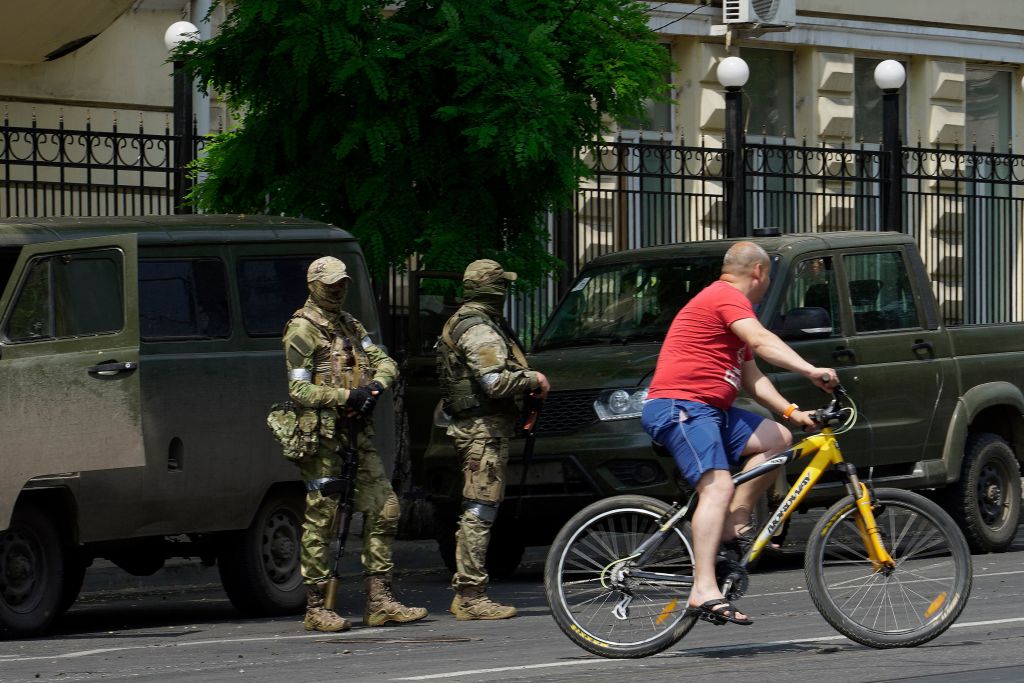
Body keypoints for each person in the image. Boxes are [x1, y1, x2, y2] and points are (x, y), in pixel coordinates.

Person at [640, 242, 836, 626]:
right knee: (717, 486)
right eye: (768, 278)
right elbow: (763, 340)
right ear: (759, 272)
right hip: (681, 406)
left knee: (777, 439)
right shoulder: (725, 297)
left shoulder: (731, 313)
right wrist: (811, 370)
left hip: (710, 410)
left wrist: (793, 413)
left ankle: (735, 518)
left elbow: (752, 377)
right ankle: (703, 588)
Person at [283, 256, 427, 632]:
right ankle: (316, 606)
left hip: (357, 434)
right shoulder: (302, 329)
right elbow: (299, 390)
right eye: (330, 284)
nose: (338, 290)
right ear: (313, 285)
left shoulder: (350, 325)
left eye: (342, 283)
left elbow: (386, 362)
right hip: (323, 439)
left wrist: (373, 390)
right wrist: (346, 397)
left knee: (385, 507)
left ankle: (379, 600)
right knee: (322, 520)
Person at [436, 259, 550, 620]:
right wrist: (533, 380)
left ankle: (470, 592)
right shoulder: (478, 328)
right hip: (482, 432)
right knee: (479, 509)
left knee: (478, 507)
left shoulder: (471, 321)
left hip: (481, 430)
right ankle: (471, 595)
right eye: (502, 285)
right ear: (495, 290)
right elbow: (495, 382)